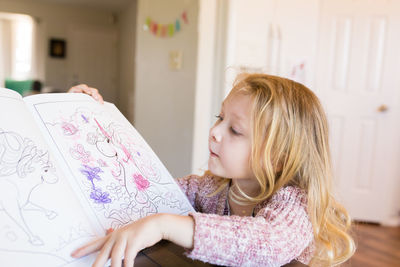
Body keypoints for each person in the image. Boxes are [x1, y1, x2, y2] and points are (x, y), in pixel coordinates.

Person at [69, 75, 355, 267]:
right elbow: (143, 187)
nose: (215, 131)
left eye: (235, 129)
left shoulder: (294, 204)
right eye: (220, 118)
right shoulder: (211, 188)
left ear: (279, 158)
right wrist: (89, 121)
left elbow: (270, 242)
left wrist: (163, 224)